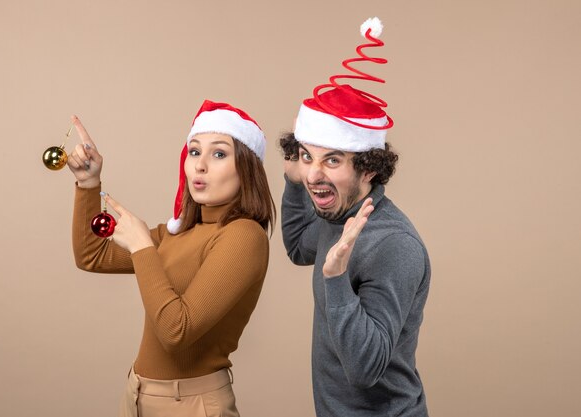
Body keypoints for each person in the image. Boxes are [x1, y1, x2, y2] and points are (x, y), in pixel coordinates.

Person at [66, 100, 275, 417]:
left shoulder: (244, 236)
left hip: (191, 405)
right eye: (194, 151)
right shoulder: (177, 233)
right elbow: (91, 255)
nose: (200, 165)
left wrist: (142, 247)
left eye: (219, 153)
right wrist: (88, 183)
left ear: (246, 168)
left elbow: (176, 332)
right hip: (137, 396)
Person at [279, 18, 431, 416]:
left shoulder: (393, 244)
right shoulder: (338, 216)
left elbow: (366, 369)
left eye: (332, 160)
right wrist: (294, 181)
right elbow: (298, 247)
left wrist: (335, 277)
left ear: (368, 168)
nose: (315, 174)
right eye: (307, 156)